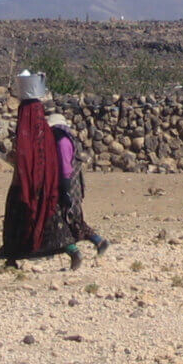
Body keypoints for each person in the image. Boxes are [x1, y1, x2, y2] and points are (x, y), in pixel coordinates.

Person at [0, 71, 106, 270]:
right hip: (44, 184)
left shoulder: (38, 133)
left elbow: (30, 159)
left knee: (42, 221)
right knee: (47, 222)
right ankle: (12, 257)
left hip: (35, 184)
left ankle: (75, 249)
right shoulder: (45, 134)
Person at [46, 112, 108, 265]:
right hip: (72, 185)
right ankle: (98, 241)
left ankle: (73, 251)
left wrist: (65, 190)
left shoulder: (62, 142)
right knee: (75, 220)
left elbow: (66, 169)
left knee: (59, 220)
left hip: (68, 185)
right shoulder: (68, 139)